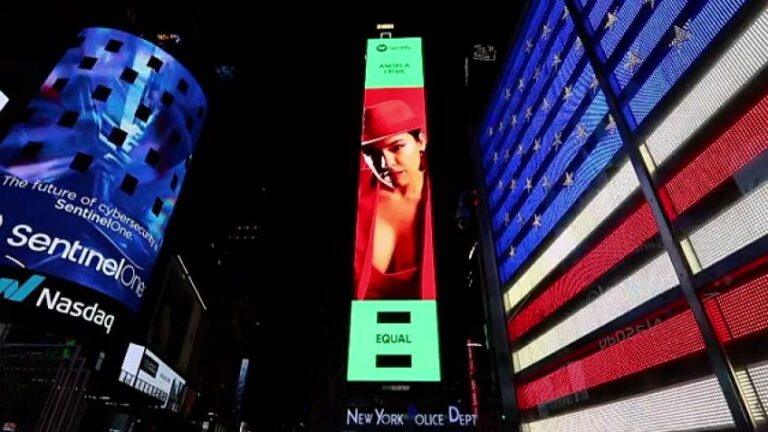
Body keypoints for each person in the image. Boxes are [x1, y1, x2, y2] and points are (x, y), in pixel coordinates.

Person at [355, 99, 436, 300]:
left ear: (421, 142)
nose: (386, 163)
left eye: (396, 147)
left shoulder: (450, 194)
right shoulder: (359, 197)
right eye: (372, 154)